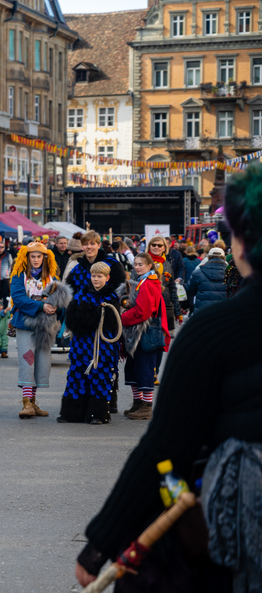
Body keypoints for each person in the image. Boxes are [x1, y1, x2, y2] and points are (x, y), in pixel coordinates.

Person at [74, 166, 262, 591]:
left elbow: (166, 447)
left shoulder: (213, 331)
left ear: (242, 242)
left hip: (235, 531)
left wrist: (101, 541)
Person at [58, 262, 121, 425]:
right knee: (76, 376)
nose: (96, 279)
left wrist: (87, 314)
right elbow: (71, 319)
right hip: (81, 345)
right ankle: (72, 413)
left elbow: (110, 320)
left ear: (106, 278)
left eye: (99, 276)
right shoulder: (80, 295)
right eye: (93, 276)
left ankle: (97, 414)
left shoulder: (111, 297)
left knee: (100, 377)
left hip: (102, 347)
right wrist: (92, 314)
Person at [9, 241, 62, 419]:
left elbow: (60, 299)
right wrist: (42, 306)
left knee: (41, 362)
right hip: (25, 323)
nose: (36, 260)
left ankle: (33, 402)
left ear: (45, 258)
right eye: (33, 256)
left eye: (39, 256)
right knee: (27, 359)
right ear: (27, 257)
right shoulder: (18, 275)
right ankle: (26, 403)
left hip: (45, 326)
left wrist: (56, 308)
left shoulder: (51, 277)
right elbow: (18, 298)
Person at [120, 253, 170, 421]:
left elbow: (142, 311)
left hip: (145, 332)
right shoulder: (146, 281)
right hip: (140, 331)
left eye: (141, 264)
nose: (137, 266)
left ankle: (146, 407)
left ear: (150, 266)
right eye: (135, 264)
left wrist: (122, 318)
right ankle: (138, 403)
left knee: (144, 369)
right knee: (135, 368)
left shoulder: (148, 284)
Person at [146, 235, 179, 331]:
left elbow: (172, 288)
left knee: (164, 340)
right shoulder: (142, 261)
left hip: (165, 305)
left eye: (159, 245)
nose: (156, 247)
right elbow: (134, 283)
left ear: (164, 248)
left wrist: (177, 311)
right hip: (147, 306)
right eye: (154, 245)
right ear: (149, 246)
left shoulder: (167, 264)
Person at [185, 247, 228, 315]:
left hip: (203, 311)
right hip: (224, 311)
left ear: (208, 258)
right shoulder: (231, 273)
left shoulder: (198, 273)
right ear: (224, 258)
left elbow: (189, 290)